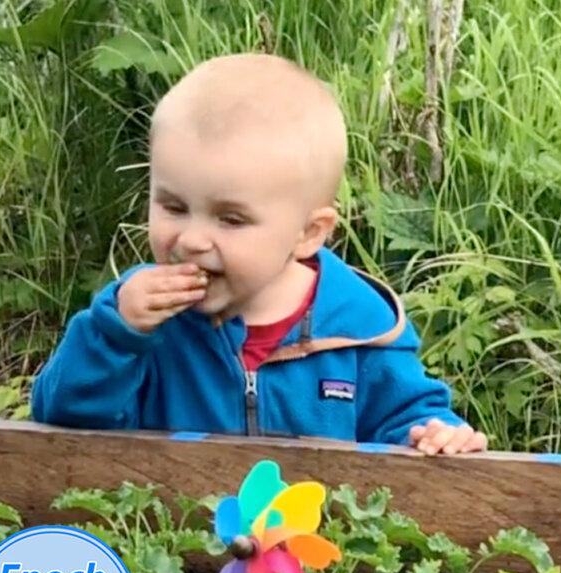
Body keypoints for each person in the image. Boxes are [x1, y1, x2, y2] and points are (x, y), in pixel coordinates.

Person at [32, 54, 486, 456]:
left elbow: (406, 417)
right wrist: (117, 334)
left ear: (308, 233)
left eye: (230, 219)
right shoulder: (141, 317)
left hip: (317, 544)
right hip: (177, 534)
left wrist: (435, 434)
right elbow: (62, 418)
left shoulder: (358, 327)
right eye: (173, 207)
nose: (191, 239)